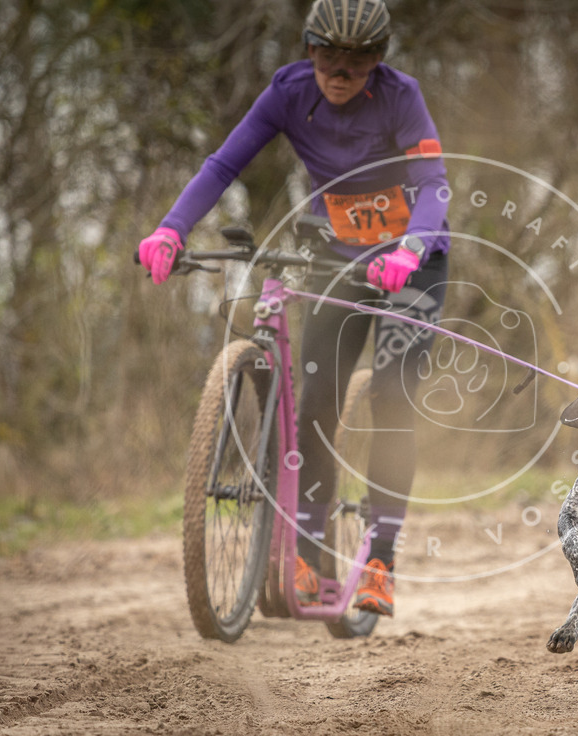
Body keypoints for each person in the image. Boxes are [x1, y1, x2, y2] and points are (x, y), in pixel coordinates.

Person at [137, 0, 450, 618]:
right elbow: (224, 164)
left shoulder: (400, 96)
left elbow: (434, 181)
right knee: (316, 406)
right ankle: (308, 559)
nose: (340, 70)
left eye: (357, 59)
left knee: (391, 393)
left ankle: (381, 561)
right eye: (328, 53)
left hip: (413, 261)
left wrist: (411, 247)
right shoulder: (287, 92)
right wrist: (172, 228)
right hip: (335, 255)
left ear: (378, 60)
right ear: (309, 49)